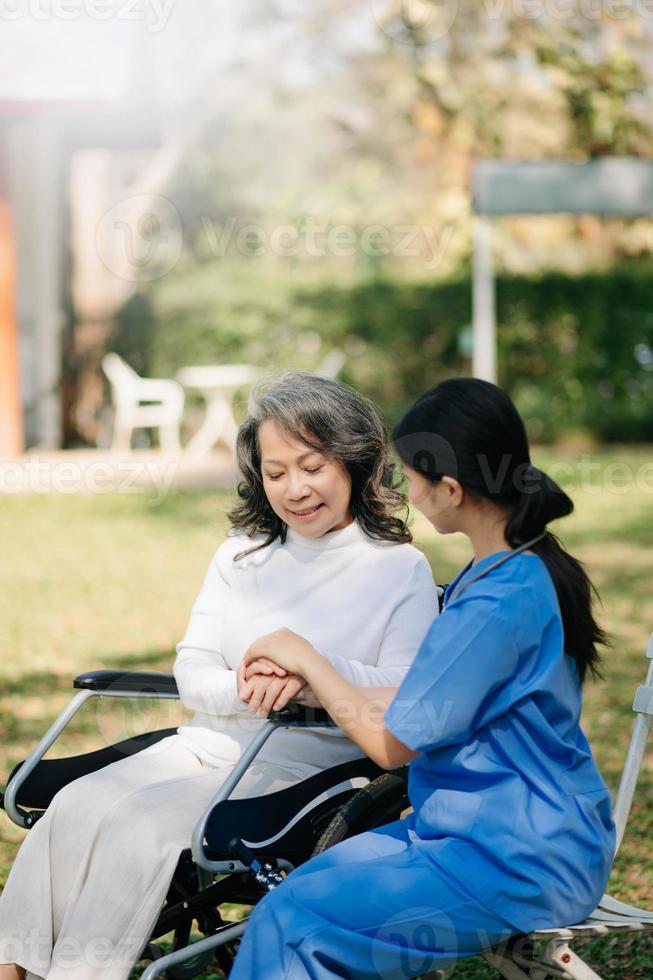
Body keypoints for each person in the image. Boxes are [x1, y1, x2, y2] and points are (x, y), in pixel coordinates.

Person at [0, 372, 437, 980]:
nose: (295, 489)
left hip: (311, 767)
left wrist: (306, 670)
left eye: (312, 467)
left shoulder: (399, 570)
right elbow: (193, 668)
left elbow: (402, 690)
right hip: (203, 745)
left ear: (353, 461)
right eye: (275, 472)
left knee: (137, 823)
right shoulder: (240, 553)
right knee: (76, 803)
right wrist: (246, 684)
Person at [228, 377, 616, 980]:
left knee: (291, 919)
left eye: (411, 476)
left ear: (451, 489)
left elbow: (392, 745)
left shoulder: (493, 604)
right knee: (304, 890)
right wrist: (313, 686)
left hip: (518, 859)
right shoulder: (515, 565)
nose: (404, 489)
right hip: (475, 835)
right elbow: (431, 699)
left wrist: (307, 659)